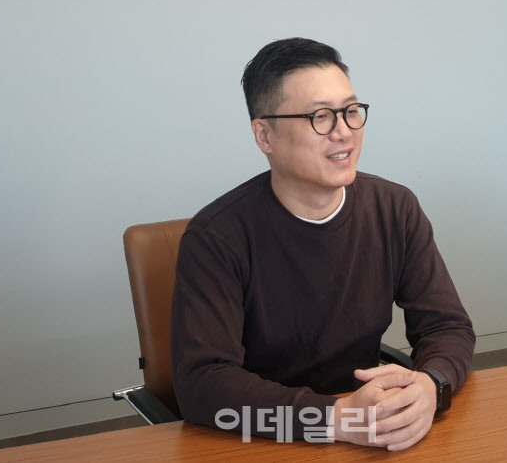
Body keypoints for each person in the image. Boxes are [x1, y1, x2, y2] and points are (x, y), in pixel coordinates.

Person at [171, 37, 475, 451]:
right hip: (261, 437)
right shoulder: (216, 238)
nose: (344, 132)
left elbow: (447, 326)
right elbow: (201, 386)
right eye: (320, 117)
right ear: (264, 135)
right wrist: (334, 419)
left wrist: (430, 385)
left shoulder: (395, 208)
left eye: (351, 111)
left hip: (368, 427)